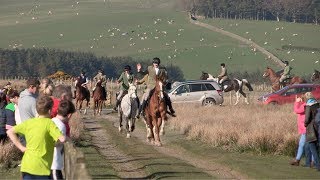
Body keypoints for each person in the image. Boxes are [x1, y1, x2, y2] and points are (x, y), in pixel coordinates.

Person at [7, 95, 66, 179]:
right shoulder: (49, 123)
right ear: (50, 111)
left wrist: (21, 148)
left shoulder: (29, 123)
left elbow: (10, 131)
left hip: (27, 166)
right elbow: (62, 139)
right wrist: (55, 142)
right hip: (42, 168)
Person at [51, 100, 75, 180]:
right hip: (53, 164)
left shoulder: (53, 121)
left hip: (54, 164)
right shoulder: (61, 126)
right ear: (69, 115)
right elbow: (53, 143)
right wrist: (65, 140)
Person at [290, 94, 313, 166]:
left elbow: (297, 110)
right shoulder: (307, 105)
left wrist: (296, 102)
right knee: (306, 144)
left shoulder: (305, 106)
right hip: (306, 128)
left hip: (305, 129)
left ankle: (299, 160)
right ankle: (300, 159)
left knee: (304, 144)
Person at [304, 92, 320, 170]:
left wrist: (305, 124)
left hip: (311, 128)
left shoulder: (308, 105)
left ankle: (318, 165)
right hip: (318, 126)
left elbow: (307, 119)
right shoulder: (317, 104)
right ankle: (310, 163)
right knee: (316, 147)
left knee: (312, 147)